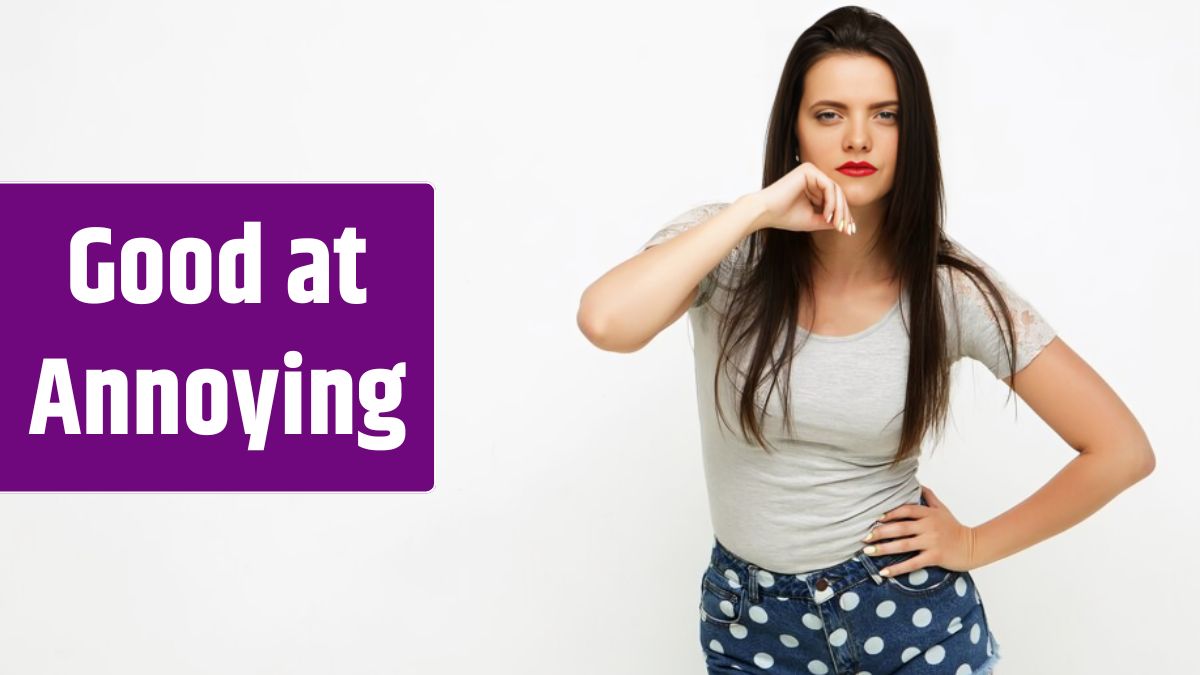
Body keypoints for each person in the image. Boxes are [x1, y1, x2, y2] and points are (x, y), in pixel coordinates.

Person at [576, 6, 1155, 674]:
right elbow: (605, 321)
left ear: (914, 135)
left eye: (886, 114)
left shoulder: (949, 289)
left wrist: (972, 542)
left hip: (907, 617)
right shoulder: (728, 249)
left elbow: (1121, 450)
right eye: (829, 114)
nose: (858, 138)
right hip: (750, 623)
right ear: (793, 130)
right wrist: (758, 210)